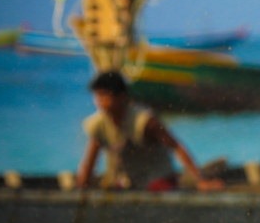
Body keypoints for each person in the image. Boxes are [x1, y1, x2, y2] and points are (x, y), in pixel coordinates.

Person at [76, 71, 223, 191]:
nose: (100, 101)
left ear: (121, 97)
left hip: (156, 178)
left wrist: (200, 181)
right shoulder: (98, 124)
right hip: (126, 182)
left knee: (158, 188)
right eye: (97, 96)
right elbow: (90, 161)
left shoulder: (144, 121)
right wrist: (81, 187)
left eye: (105, 95)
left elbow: (175, 146)